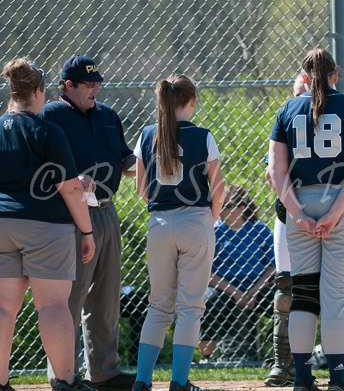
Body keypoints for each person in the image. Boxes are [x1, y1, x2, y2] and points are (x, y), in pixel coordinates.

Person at [267, 48, 344, 391]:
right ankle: (339, 379)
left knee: (303, 296)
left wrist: (298, 214)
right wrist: (334, 213)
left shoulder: (287, 109)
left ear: (303, 76)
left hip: (300, 204)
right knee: (335, 295)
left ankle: (301, 378)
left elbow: (275, 171)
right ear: (334, 75)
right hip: (340, 203)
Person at [39, 55, 136, 391]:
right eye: (88, 84)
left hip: (107, 210)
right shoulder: (51, 115)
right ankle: (63, 375)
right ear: (68, 85)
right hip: (71, 212)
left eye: (98, 83)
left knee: (107, 297)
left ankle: (105, 372)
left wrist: (148, 159)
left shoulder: (107, 114)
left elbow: (125, 158)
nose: (96, 89)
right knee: (71, 296)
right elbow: (44, 164)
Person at [0, 58, 96, 391]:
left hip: (2, 224)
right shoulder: (48, 131)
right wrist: (86, 231)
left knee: (3, 306)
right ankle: (66, 382)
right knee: (53, 304)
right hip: (45, 225)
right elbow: (69, 188)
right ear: (39, 91)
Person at [133, 74, 225, 391]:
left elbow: (141, 189)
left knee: (159, 305)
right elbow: (219, 190)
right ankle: (179, 382)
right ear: (192, 102)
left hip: (158, 222)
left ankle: (142, 381)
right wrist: (206, 220)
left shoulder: (147, 135)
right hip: (196, 220)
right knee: (190, 307)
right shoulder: (203, 135)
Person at [199, 185, 276, 362]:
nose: (221, 210)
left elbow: (272, 268)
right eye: (218, 205)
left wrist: (254, 291)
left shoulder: (259, 230)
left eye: (227, 205)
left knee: (283, 300)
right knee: (209, 301)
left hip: (257, 287)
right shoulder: (213, 231)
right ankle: (206, 358)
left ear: (242, 208)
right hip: (224, 288)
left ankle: (282, 355)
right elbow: (207, 273)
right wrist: (236, 293)